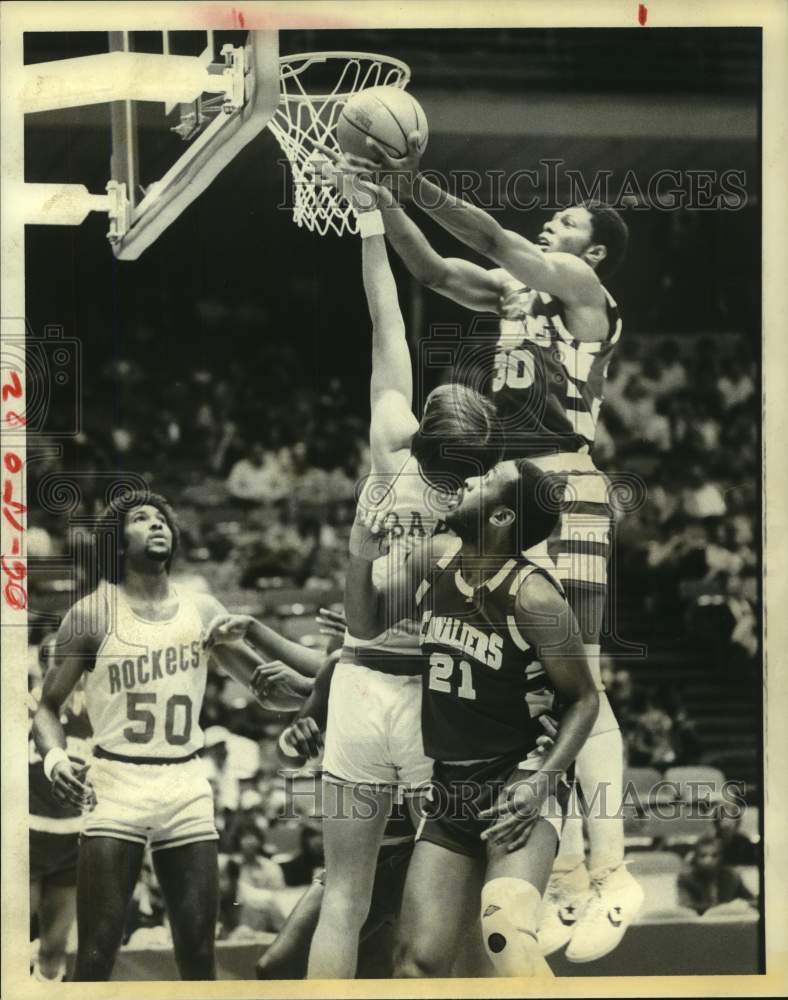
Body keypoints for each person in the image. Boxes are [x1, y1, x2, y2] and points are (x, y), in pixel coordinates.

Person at [336, 140, 643, 962]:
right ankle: (557, 849)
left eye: (570, 218)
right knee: (533, 674)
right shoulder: (514, 291)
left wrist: (411, 180)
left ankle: (600, 868)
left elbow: (497, 240)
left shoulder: (585, 290)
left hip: (565, 482)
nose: (554, 220)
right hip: (503, 479)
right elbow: (435, 270)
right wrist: (377, 202)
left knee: (580, 669)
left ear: (596, 248)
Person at [291, 174, 502, 979]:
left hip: (356, 689)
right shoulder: (482, 504)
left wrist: (370, 217)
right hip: (434, 702)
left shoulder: (389, 449)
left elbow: (388, 325)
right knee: (457, 898)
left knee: (342, 898)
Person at [345, 458, 599, 977]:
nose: (467, 481)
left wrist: (540, 781)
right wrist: (359, 555)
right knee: (415, 963)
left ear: (502, 518)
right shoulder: (434, 558)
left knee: (505, 932)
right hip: (451, 788)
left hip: (518, 778)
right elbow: (365, 622)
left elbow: (585, 699)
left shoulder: (533, 595)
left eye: (485, 481)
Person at [31, 490, 295, 981]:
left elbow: (267, 691)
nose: (156, 525)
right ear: (117, 540)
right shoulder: (91, 614)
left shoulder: (202, 608)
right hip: (115, 781)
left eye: (162, 519)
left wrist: (314, 691)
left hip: (185, 782)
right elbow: (46, 708)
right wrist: (57, 760)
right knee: (94, 956)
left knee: (198, 954)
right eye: (140, 519)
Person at [28, 636, 92, 982]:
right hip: (26, 840)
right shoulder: (19, 708)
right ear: (41, 667)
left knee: (54, 948)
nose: (68, 671)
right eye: (58, 663)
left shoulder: (98, 711)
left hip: (73, 843)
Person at [677, 834, 757, 915]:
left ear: (721, 858)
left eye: (714, 855)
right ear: (695, 858)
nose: (708, 860)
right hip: (699, 924)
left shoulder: (732, 877)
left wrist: (743, 904)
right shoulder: (686, 879)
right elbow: (686, 906)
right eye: (703, 856)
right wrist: (726, 907)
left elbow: (753, 901)